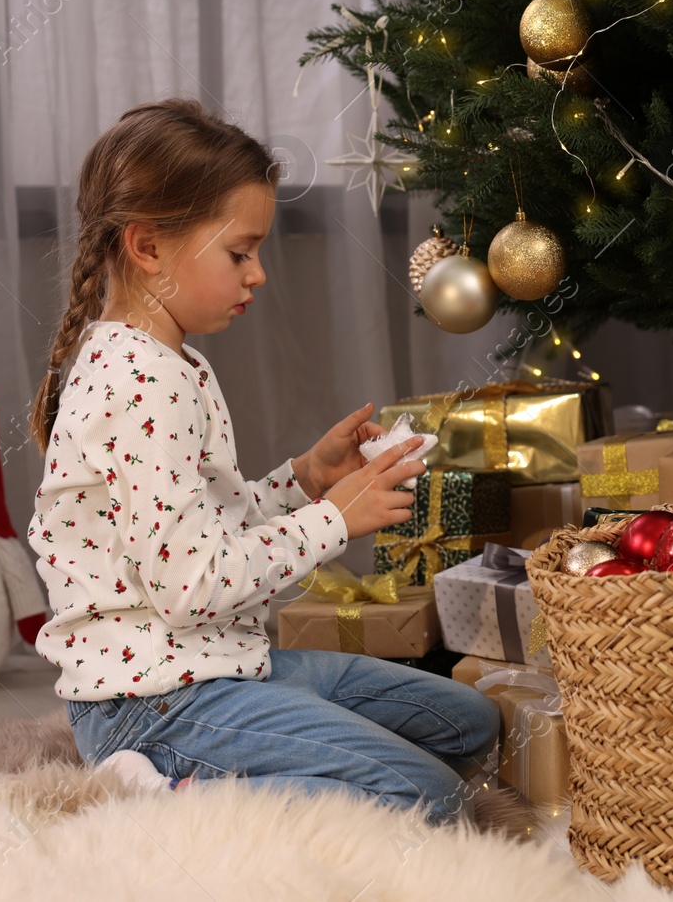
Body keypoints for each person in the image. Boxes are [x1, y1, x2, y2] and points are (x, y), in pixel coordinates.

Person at [25, 99, 498, 825]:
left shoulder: (175, 363)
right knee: (426, 797)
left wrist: (305, 476)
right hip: (152, 700)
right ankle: (163, 795)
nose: (259, 275)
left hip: (215, 660)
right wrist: (330, 520)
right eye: (240, 252)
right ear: (148, 247)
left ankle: (261, 740)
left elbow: (204, 527)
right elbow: (192, 585)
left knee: (468, 721)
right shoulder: (137, 380)